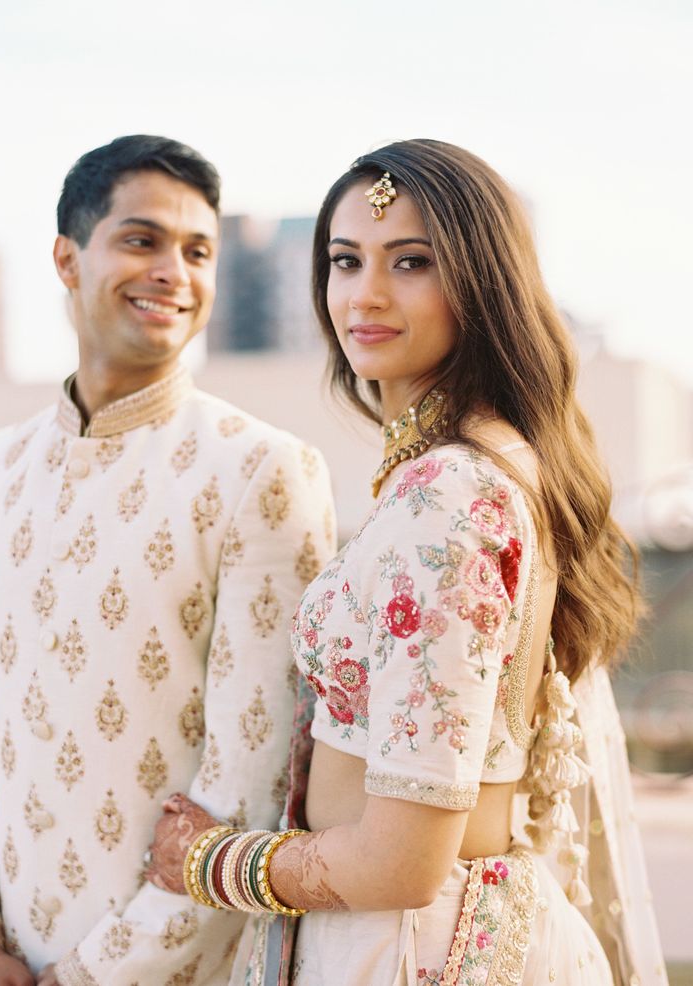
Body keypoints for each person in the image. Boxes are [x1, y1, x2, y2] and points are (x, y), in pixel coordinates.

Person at [146, 140, 669, 986]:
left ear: (480, 280)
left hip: (409, 949)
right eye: (345, 260)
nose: (366, 294)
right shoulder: (488, 465)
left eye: (412, 261)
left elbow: (401, 864)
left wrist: (209, 861)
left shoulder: (450, 492)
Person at [0, 135, 336, 986]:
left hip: (185, 967)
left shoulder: (262, 470)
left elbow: (255, 783)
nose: (175, 271)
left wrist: (87, 978)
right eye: (141, 240)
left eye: (197, 251)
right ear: (66, 258)